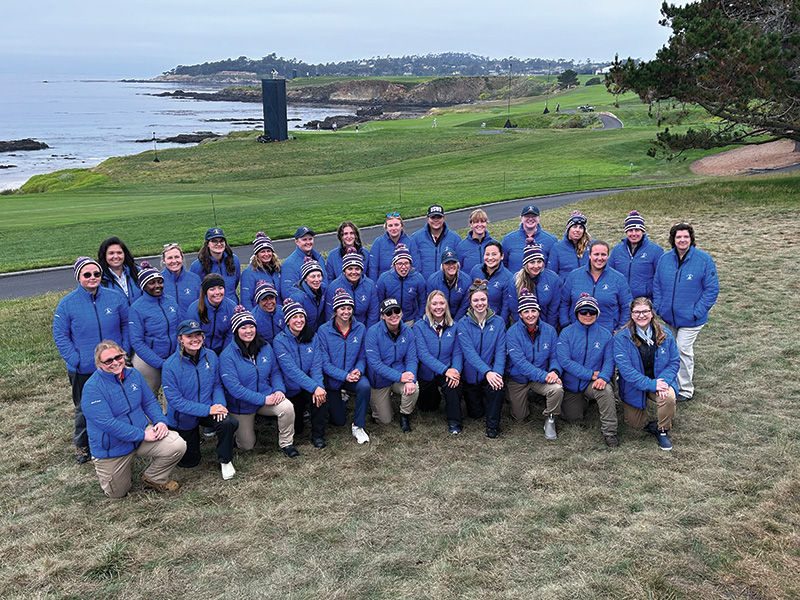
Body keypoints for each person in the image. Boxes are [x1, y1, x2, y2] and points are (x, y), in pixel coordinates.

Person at [82, 340, 186, 498]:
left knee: (177, 444)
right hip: (113, 446)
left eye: (118, 357)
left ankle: (154, 477)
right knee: (117, 494)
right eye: (108, 360)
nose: (115, 363)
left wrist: (160, 421)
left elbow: (149, 401)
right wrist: (143, 435)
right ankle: (109, 470)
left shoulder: (133, 374)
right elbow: (108, 424)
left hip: (140, 434)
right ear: (99, 364)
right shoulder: (92, 388)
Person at [53, 256, 130, 464]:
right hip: (83, 368)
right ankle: (83, 445)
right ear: (79, 277)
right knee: (84, 408)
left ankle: (119, 438)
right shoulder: (67, 304)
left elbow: (126, 325)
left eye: (96, 273)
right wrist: (76, 359)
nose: (93, 278)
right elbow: (60, 335)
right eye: (87, 275)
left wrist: (124, 351)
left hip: (114, 364)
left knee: (118, 401)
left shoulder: (115, 297)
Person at [162, 319, 239, 480]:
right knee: (190, 462)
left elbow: (217, 384)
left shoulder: (211, 356)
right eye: (189, 336)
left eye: (198, 335)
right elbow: (175, 401)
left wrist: (219, 404)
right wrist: (208, 410)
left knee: (228, 422)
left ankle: (225, 460)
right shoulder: (170, 365)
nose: (195, 339)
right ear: (180, 339)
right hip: (183, 416)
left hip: (208, 407)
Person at [219, 306, 299, 457]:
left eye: (251, 326)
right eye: (243, 327)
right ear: (236, 330)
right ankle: (238, 431)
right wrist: (263, 398)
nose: (248, 331)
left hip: (266, 396)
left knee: (287, 407)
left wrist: (279, 390)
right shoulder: (227, 356)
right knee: (247, 446)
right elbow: (234, 389)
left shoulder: (265, 347)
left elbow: (275, 371)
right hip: (242, 405)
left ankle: (287, 443)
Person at [653, 222, 719, 402]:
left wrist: (696, 311)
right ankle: (671, 383)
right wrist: (659, 306)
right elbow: (657, 283)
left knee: (682, 349)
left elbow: (711, 289)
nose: (682, 240)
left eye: (686, 237)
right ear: (673, 239)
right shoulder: (665, 259)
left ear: (691, 239)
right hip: (669, 317)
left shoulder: (704, 260)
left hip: (692, 319)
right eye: (678, 237)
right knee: (669, 350)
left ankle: (685, 389)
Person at [614, 297, 679, 451]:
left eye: (645, 311)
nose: (641, 315)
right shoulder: (621, 338)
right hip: (634, 386)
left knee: (668, 396)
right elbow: (627, 372)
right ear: (631, 314)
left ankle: (663, 430)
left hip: (659, 381)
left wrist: (663, 382)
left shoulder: (666, 334)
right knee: (635, 426)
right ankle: (647, 421)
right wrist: (652, 384)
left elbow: (674, 362)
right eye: (637, 312)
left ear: (652, 313)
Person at [556, 293, 618, 447]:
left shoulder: (605, 335)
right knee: (573, 418)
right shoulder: (566, 333)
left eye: (592, 312)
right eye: (583, 312)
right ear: (577, 313)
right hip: (572, 384)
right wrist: (590, 374)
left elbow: (609, 361)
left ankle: (610, 433)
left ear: (597, 314)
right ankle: (585, 401)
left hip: (594, 382)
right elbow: (565, 361)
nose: (588, 315)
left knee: (606, 390)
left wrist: (603, 377)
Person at [505, 289, 563, 439]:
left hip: (540, 377)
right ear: (520, 314)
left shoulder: (549, 331)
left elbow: (555, 356)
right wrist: (545, 376)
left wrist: (554, 372)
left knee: (557, 388)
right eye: (526, 311)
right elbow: (520, 363)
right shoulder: (512, 333)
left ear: (538, 312)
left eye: (533, 310)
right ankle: (513, 396)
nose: (530, 315)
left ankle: (550, 419)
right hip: (518, 378)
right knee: (520, 417)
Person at [318, 288, 372, 444]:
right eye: (342, 308)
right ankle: (338, 400)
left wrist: (358, 370)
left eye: (349, 308)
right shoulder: (323, 330)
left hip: (352, 376)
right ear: (335, 310)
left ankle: (358, 425)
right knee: (339, 421)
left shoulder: (360, 328)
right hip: (334, 380)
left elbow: (363, 355)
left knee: (364, 386)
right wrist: (344, 375)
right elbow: (324, 364)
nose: (346, 312)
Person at [274, 299, 329, 448]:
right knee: (298, 428)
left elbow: (316, 365)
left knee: (320, 399)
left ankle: (318, 435)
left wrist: (319, 387)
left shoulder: (313, 336)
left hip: (308, 385)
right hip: (291, 387)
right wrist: (314, 387)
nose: (299, 320)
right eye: (294, 317)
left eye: (301, 317)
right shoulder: (279, 341)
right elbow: (291, 370)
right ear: (287, 321)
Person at [458, 279, 506, 438]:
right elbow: (469, 353)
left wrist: (496, 374)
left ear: (488, 300)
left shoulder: (498, 322)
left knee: (497, 387)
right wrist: (486, 372)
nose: (480, 303)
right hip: (472, 376)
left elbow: (500, 351)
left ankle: (492, 427)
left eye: (483, 299)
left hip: (490, 374)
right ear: (470, 303)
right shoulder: (463, 324)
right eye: (476, 300)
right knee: (475, 413)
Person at [365, 298, 420, 432]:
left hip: (400, 373)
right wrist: (400, 377)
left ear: (401, 313)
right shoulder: (373, 332)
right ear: (383, 316)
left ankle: (404, 415)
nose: (393, 315)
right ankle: (376, 408)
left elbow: (412, 358)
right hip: (379, 379)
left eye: (397, 311)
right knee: (384, 421)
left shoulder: (408, 331)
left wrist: (410, 378)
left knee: (414, 387)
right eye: (389, 313)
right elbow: (375, 364)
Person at [414, 291, 463, 434]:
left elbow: (458, 353)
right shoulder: (419, 326)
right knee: (428, 407)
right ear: (429, 306)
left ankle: (455, 422)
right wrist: (445, 370)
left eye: (441, 303)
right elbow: (423, 354)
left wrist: (455, 371)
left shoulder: (455, 326)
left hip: (447, 369)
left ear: (446, 305)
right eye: (434, 303)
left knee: (454, 385)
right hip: (428, 372)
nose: (438, 307)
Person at [560, 240, 633, 334]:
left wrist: (619, 330)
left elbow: (627, 307)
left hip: (608, 333)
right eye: (596, 254)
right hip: (577, 332)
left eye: (603, 255)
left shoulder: (618, 278)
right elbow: (564, 303)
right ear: (589, 255)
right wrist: (566, 325)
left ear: (608, 256)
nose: (599, 258)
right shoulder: (574, 275)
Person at [129, 261, 179, 396]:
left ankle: (168, 417)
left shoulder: (171, 301)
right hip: (149, 359)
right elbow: (137, 341)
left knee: (174, 394)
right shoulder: (137, 308)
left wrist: (176, 356)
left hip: (173, 357)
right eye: (152, 283)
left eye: (160, 282)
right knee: (149, 396)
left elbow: (179, 329)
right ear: (143, 286)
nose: (157, 286)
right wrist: (158, 362)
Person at [608, 211, 664, 300]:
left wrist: (656, 303)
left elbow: (661, 279)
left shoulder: (656, 250)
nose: (634, 234)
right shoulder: (617, 250)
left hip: (645, 301)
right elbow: (609, 274)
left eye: (637, 230)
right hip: (622, 299)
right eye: (630, 230)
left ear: (642, 231)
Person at [325, 248, 379, 329]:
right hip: (341, 329)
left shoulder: (370, 285)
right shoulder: (334, 286)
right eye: (350, 269)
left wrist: (367, 333)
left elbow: (373, 313)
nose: (354, 272)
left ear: (361, 270)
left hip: (363, 328)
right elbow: (330, 314)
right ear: (344, 270)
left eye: (357, 269)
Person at [513, 243, 562, 328]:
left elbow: (554, 308)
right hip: (524, 326)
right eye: (532, 262)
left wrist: (548, 329)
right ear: (526, 264)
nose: (536, 266)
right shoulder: (515, 280)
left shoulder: (553, 278)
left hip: (547, 324)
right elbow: (514, 308)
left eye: (539, 262)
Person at [186, 274, 236, 355]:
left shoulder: (231, 307)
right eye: (212, 289)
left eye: (220, 288)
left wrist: (224, 355)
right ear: (206, 292)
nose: (217, 292)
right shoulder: (194, 309)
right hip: (200, 351)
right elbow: (191, 336)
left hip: (223, 351)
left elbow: (230, 335)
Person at [376, 244, 426, 325]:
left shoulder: (418, 278)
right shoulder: (384, 279)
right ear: (394, 265)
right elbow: (379, 301)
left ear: (410, 264)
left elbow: (423, 301)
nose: (403, 267)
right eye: (399, 264)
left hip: (410, 319)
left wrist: (418, 319)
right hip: (390, 319)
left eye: (406, 263)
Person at [409, 204, 462, 280]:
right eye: (433, 217)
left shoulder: (455, 238)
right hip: (424, 285)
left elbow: (459, 264)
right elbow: (413, 265)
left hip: (446, 285)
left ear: (443, 218)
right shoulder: (416, 238)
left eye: (439, 217)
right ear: (427, 218)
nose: (436, 220)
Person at [190, 227, 241, 304]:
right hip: (210, 309)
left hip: (232, 306)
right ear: (207, 244)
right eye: (214, 241)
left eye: (221, 241)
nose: (219, 244)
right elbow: (196, 290)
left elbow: (236, 282)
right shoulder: (197, 265)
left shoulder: (234, 260)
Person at [501, 204, 558, 272]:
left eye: (534, 216)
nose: (530, 219)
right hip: (515, 281)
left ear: (539, 217)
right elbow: (503, 265)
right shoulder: (508, 239)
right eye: (527, 216)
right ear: (521, 218)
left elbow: (552, 266)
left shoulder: (551, 240)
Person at [469, 241, 514, 325]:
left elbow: (506, 306)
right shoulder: (475, 270)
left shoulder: (508, 277)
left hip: (495, 320)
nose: (490, 258)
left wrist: (500, 325)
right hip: (475, 319)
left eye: (494, 254)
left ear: (502, 256)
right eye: (487, 254)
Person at [280, 226, 327, 298]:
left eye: (310, 239)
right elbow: (287, 293)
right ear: (296, 242)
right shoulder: (289, 264)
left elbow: (325, 283)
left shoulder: (319, 258)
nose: (308, 242)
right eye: (304, 239)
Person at [241, 232, 282, 311]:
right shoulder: (249, 272)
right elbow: (246, 300)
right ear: (257, 254)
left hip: (278, 314)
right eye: (262, 251)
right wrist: (252, 318)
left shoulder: (278, 269)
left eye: (268, 251)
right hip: (260, 314)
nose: (266, 254)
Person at [548, 210, 592, 281]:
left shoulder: (591, 245)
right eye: (574, 226)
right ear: (568, 229)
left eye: (581, 227)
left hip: (587, 286)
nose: (577, 230)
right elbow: (551, 274)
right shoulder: (558, 248)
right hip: (565, 289)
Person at [160, 242, 202, 317]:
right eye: (170, 258)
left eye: (177, 257)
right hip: (168, 327)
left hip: (191, 326)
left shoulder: (195, 279)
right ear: (164, 260)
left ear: (182, 258)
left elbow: (202, 305)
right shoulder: (158, 281)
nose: (174, 261)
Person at [97, 236, 142, 306]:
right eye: (111, 253)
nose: (116, 256)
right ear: (104, 255)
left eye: (119, 253)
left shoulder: (138, 272)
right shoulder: (99, 279)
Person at [426, 249, 469, 320]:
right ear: (442, 266)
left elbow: (464, 306)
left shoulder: (466, 280)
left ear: (458, 264)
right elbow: (430, 304)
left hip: (459, 319)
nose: (451, 266)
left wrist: (455, 323)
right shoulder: (433, 280)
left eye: (454, 263)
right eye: (447, 263)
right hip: (438, 318)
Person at [368, 212, 411, 280]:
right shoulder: (378, 242)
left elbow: (415, 266)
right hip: (384, 283)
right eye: (390, 225)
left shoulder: (410, 241)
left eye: (396, 225)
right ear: (386, 227)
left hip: (405, 282)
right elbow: (373, 267)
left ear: (402, 226)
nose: (393, 228)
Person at [289, 257, 328, 331]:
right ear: (305, 278)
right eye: (312, 277)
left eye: (319, 276)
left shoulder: (324, 289)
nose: (316, 280)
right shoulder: (297, 297)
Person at [456, 209, 497, 275]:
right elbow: (457, 270)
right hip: (470, 284)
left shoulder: (495, 244)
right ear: (471, 224)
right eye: (476, 222)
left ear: (486, 223)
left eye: (482, 221)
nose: (480, 225)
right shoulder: (461, 246)